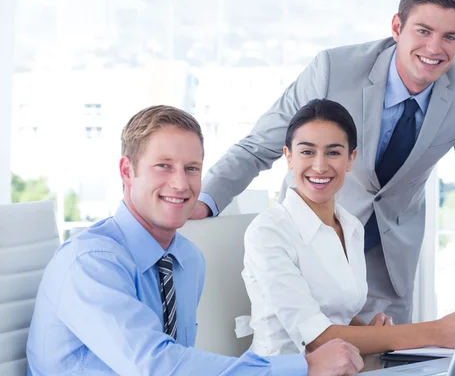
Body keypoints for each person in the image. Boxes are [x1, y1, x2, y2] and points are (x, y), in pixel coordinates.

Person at [191, 0, 455, 324]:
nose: (435, 48)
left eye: (449, 37)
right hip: (310, 243)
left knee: (391, 357)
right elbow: (260, 146)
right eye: (423, 31)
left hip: (388, 260)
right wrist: (204, 202)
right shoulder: (334, 70)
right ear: (397, 27)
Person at [26, 105, 364, 376]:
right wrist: (304, 366)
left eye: (191, 168)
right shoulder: (91, 263)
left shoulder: (186, 260)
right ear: (127, 172)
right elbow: (158, 366)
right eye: (163, 166)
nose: (180, 184)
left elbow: (181, 360)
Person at [240, 99, 455, 356]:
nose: (320, 165)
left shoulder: (351, 226)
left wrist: (375, 334)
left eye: (334, 152)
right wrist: (436, 331)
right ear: (288, 157)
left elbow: (339, 316)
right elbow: (316, 339)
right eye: (307, 152)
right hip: (281, 370)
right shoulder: (268, 232)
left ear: (351, 159)